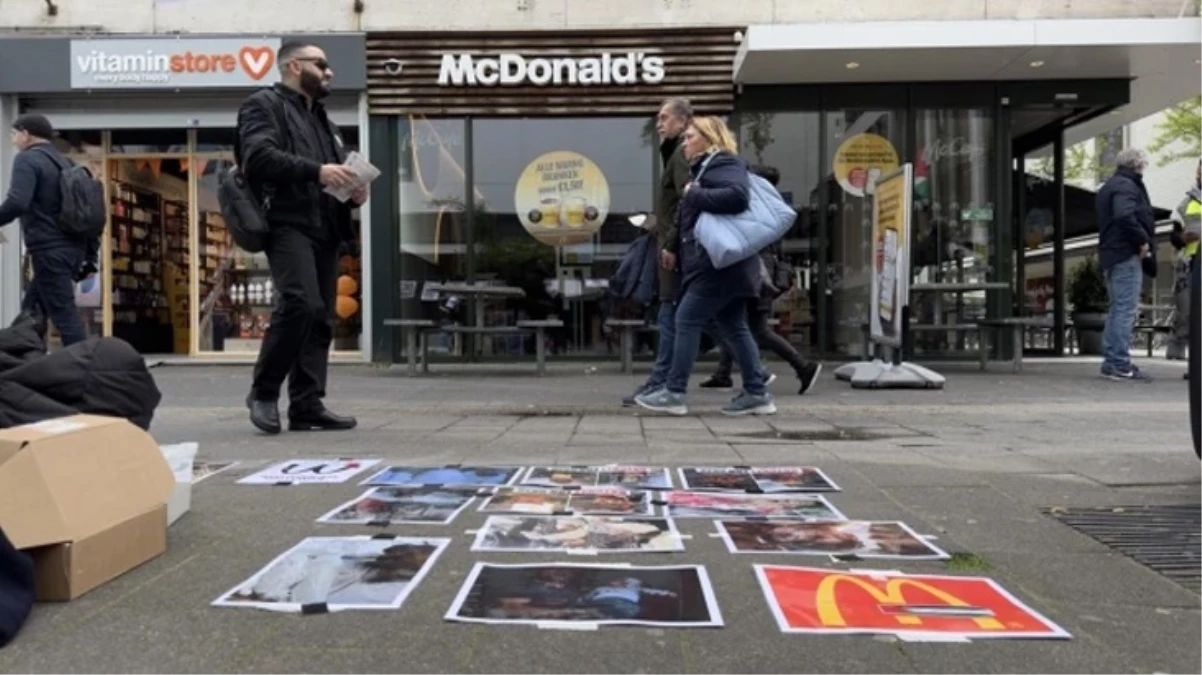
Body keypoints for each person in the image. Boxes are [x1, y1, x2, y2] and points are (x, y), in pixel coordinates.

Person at [238, 41, 366, 433]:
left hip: (326, 224)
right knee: (300, 304)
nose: (329, 73)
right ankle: (263, 392)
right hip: (286, 221)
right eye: (322, 65)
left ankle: (307, 404)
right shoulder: (264, 105)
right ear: (295, 66)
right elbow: (257, 158)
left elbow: (336, 172)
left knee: (322, 317)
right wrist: (318, 171)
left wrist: (354, 188)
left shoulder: (325, 120)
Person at [635, 116, 774, 416]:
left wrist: (693, 193)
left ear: (710, 139)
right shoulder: (708, 168)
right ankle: (757, 392)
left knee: (685, 320)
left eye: (690, 137)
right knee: (734, 327)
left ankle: (674, 393)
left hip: (718, 267)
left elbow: (737, 197)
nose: (684, 142)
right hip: (726, 266)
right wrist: (673, 245)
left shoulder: (724, 163)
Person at [699, 164, 822, 395]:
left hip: (757, 275)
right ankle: (723, 374)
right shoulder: (771, 206)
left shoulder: (761, 208)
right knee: (733, 321)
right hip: (760, 273)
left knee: (756, 329)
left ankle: (803, 367)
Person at [0, 114, 98, 346]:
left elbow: (17, 202)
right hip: (73, 250)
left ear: (26, 134)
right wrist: (90, 256)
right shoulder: (67, 163)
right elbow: (91, 213)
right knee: (32, 311)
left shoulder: (27, 160)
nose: (12, 140)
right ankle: (24, 362)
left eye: (14, 135)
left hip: (49, 250)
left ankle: (83, 370)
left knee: (64, 315)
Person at [622, 97, 693, 407]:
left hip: (674, 255)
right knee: (720, 321)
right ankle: (757, 381)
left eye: (664, 117)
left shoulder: (679, 155)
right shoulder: (674, 153)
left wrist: (669, 241)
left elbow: (687, 201)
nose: (659, 123)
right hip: (676, 249)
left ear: (682, 121)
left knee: (669, 317)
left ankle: (662, 382)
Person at [1096, 147, 1156, 382]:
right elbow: (1124, 215)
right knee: (1125, 310)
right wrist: (1141, 240)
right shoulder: (1126, 186)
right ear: (1138, 165)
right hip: (1125, 254)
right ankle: (1120, 363)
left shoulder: (1109, 185)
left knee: (1116, 309)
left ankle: (1112, 361)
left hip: (1111, 254)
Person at [1167, 161, 1202, 361]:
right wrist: (1181, 238)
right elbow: (1174, 234)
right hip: (1191, 263)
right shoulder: (1185, 203)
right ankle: (1178, 354)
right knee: (1187, 311)